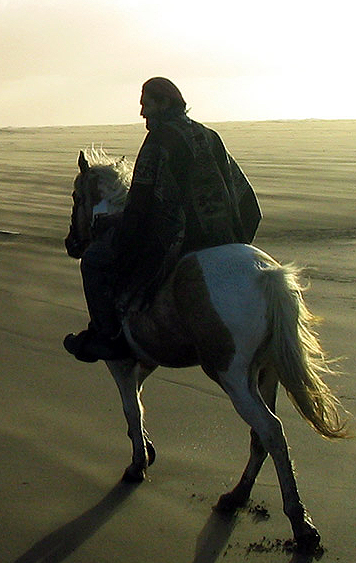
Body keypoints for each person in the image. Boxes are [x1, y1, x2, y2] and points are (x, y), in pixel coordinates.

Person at [65, 77, 261, 362]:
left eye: (147, 104)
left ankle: (108, 338)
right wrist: (235, 234)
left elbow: (141, 203)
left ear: (165, 103)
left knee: (94, 261)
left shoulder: (158, 140)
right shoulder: (209, 135)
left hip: (178, 240)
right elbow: (241, 191)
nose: (142, 112)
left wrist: (114, 225)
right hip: (226, 235)